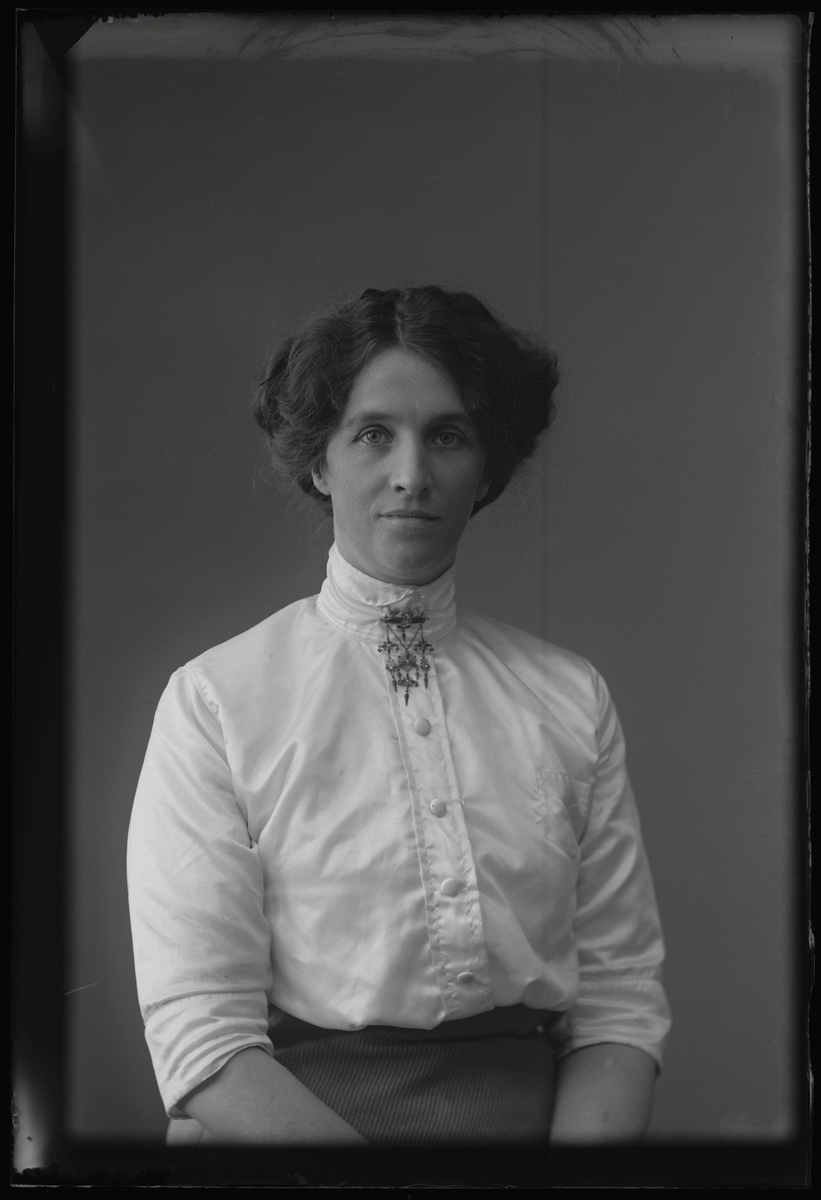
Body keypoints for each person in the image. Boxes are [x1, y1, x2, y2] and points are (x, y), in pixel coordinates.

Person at [127, 285, 671, 1147]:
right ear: (319, 461)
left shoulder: (569, 696)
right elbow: (201, 1034)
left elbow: (618, 1002)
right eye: (373, 434)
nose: (411, 474)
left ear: (486, 469)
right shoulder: (216, 700)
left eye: (447, 436)